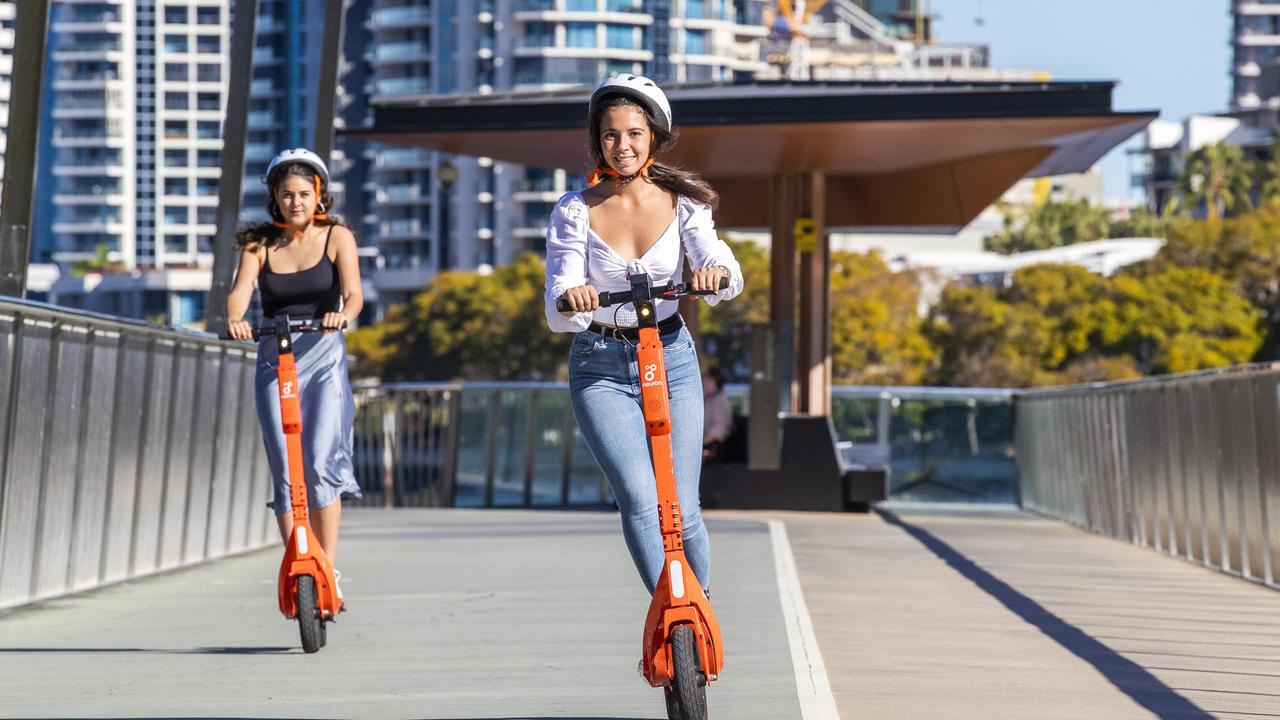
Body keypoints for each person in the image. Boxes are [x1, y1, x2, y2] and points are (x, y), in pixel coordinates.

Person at [544, 75, 744, 598]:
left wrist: (713, 276)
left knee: (682, 503)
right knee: (637, 497)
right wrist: (573, 297)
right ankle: (671, 616)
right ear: (598, 141)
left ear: (653, 136)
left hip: (672, 355)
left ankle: (697, 619)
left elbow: (720, 264)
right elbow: (558, 296)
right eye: (610, 135)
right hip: (600, 364)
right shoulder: (574, 209)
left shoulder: (685, 203)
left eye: (634, 133)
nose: (623, 145)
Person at [226, 148, 363, 594]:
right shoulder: (259, 244)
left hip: (323, 354)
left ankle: (330, 569)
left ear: (319, 193)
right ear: (274, 197)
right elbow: (239, 292)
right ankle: (299, 567)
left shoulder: (337, 236)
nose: (296, 202)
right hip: (275, 356)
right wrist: (236, 318)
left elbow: (354, 294)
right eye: (287, 195)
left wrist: (342, 314)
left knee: (322, 461)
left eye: (304, 193)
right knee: (285, 468)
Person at [702, 367, 732, 459]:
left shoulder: (719, 401)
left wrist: (700, 444)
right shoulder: (710, 398)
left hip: (714, 451)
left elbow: (718, 430)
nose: (703, 382)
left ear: (713, 381)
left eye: (706, 380)